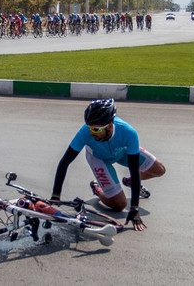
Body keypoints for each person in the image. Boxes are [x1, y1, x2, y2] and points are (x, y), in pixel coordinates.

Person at [49, 99, 166, 231]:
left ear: (110, 125)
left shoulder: (128, 132)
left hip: (122, 153)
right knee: (119, 205)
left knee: (159, 169)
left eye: (96, 129)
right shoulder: (84, 132)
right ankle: (98, 189)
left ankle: (131, 182)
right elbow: (65, 162)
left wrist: (134, 208)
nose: (92, 132)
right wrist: (56, 195)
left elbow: (134, 170)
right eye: (90, 127)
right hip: (98, 158)